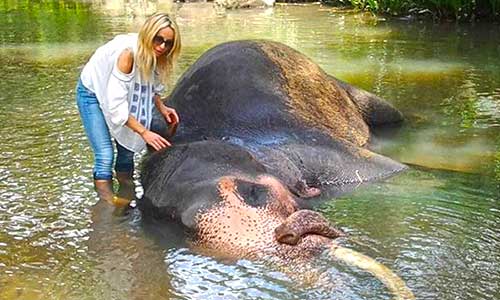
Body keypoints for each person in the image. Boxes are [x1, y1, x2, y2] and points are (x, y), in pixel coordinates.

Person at [76, 12, 181, 207]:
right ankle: (107, 203)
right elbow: (117, 107)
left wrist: (162, 107)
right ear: (148, 34)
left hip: (119, 93)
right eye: (158, 39)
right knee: (105, 154)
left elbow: (151, 86)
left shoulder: (157, 55)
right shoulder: (128, 54)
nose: (162, 47)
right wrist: (144, 132)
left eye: (168, 43)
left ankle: (126, 189)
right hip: (92, 93)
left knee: (127, 151)